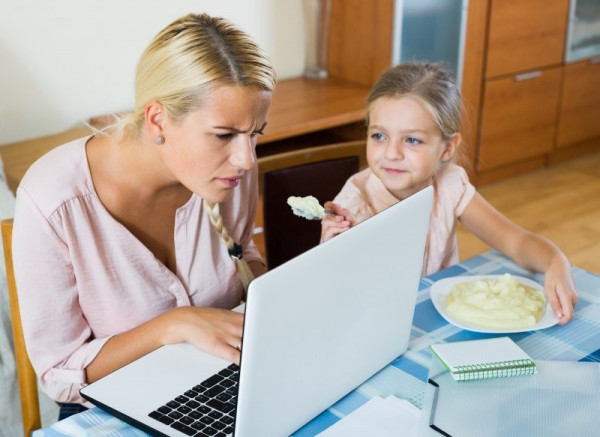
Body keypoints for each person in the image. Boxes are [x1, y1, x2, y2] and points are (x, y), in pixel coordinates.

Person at [11, 12, 276, 416]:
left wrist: (278, 295)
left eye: (255, 134)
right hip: (110, 408)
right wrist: (174, 326)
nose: (246, 159)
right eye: (224, 135)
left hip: (218, 382)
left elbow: (242, 254)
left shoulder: (230, 173)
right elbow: (59, 374)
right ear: (157, 119)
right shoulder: (53, 200)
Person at [321, 62, 578, 325]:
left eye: (412, 140)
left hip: (437, 319)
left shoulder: (449, 185)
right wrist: (330, 254)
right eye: (379, 136)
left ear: (447, 148)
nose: (392, 153)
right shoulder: (353, 205)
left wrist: (555, 261)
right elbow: (333, 300)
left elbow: (516, 242)